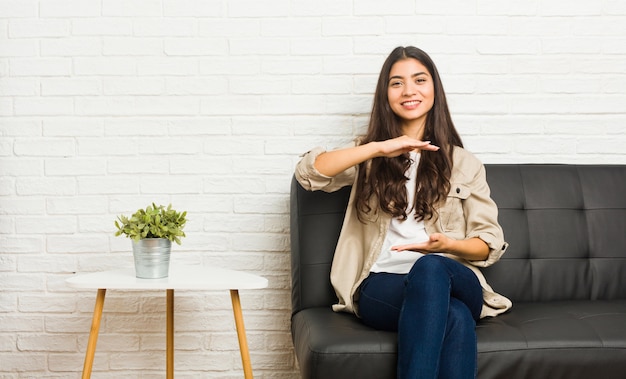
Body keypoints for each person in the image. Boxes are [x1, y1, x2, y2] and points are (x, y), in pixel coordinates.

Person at [294, 46, 512, 379]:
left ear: (434, 89)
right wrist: (379, 147)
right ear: (386, 95)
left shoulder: (464, 164)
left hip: (451, 276)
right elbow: (309, 173)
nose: (409, 90)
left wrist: (445, 246)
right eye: (397, 83)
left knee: (430, 268)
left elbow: (488, 244)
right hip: (383, 283)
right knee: (453, 317)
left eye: (419, 80)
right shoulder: (369, 154)